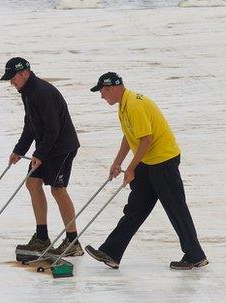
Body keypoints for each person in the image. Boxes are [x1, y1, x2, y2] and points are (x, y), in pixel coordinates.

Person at [85, 72, 208, 270]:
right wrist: (117, 163)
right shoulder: (124, 106)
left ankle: (195, 255)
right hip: (148, 161)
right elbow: (128, 137)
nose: (101, 97)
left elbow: (146, 140)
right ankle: (111, 252)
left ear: (111, 88)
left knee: (176, 208)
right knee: (135, 207)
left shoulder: (134, 105)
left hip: (163, 161)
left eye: (102, 92)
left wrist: (131, 168)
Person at [0, 57, 82, 256]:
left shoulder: (42, 92)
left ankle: (73, 241)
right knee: (33, 183)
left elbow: (53, 129)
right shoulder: (27, 92)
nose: (12, 81)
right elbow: (30, 124)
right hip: (47, 147)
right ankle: (42, 237)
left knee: (58, 189)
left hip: (62, 147)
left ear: (25, 73)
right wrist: (19, 150)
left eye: (13, 77)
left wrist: (40, 154)